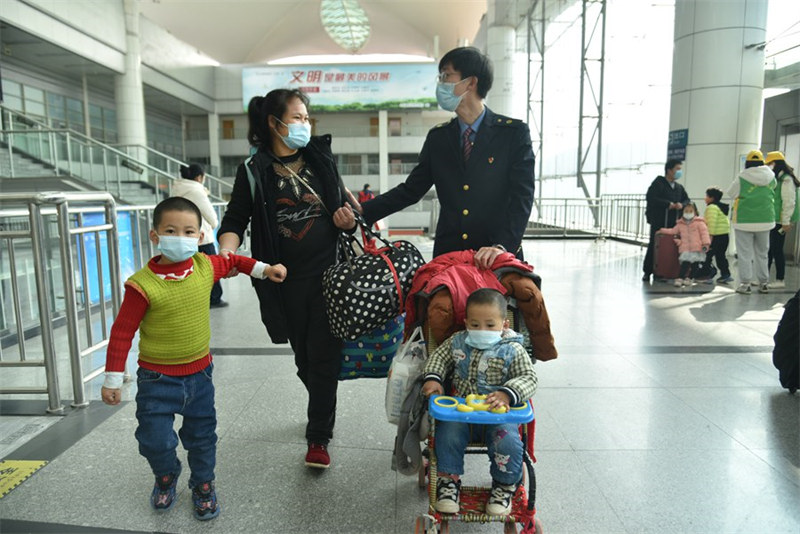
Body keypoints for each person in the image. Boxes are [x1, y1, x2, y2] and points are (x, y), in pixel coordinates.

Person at [101, 197, 286, 521]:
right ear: (155, 236)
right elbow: (121, 333)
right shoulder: (142, 285)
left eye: (189, 231)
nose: (181, 236)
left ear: (200, 236)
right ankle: (166, 473)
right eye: (171, 230)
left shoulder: (204, 266)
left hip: (200, 376)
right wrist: (113, 378)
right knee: (153, 439)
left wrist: (264, 269)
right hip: (156, 380)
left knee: (202, 437)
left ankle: (203, 483)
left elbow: (234, 262)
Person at [217, 88, 356, 469]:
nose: (304, 124)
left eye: (307, 118)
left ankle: (318, 436)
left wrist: (348, 220)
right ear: (274, 123)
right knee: (304, 360)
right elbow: (234, 220)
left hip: (330, 276)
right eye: (297, 118)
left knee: (325, 356)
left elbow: (346, 208)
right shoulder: (254, 170)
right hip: (281, 280)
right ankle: (322, 403)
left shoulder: (320, 159)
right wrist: (227, 251)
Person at [358, 46, 535, 270]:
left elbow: (523, 197)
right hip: (448, 257)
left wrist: (502, 246)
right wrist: (365, 210)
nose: (440, 83)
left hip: (495, 256)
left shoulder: (513, 134)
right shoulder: (438, 138)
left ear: (471, 82)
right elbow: (411, 190)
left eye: (446, 75)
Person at [421, 288, 537, 517]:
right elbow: (437, 359)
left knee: (509, 442)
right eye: (475, 325)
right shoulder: (458, 342)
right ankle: (448, 483)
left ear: (503, 324)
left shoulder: (513, 349)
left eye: (490, 325)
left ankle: (504, 487)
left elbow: (529, 378)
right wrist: (433, 379)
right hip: (462, 413)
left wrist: (507, 393)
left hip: (499, 415)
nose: (481, 330)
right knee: (447, 434)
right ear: (465, 322)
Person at [171, 162, 226, 307]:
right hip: (202, 238)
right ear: (199, 177)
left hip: (183, 237)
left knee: (188, 270)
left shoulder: (177, 189)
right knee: (211, 267)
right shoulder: (196, 191)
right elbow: (212, 218)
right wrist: (212, 226)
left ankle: (193, 299)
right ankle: (214, 298)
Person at [727, 150, 777, 295]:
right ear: (762, 162)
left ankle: (745, 284)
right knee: (763, 253)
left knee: (745, 254)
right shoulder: (771, 177)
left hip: (744, 220)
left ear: (747, 163)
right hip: (765, 219)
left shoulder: (742, 177)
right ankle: (764, 283)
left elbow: (731, 193)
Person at [642, 159, 690, 281]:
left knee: (671, 245)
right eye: (677, 169)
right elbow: (651, 198)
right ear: (669, 170)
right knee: (655, 243)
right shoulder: (658, 183)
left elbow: (687, 200)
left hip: (674, 221)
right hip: (659, 220)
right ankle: (648, 271)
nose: (679, 172)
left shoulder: (679, 187)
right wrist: (668, 204)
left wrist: (681, 204)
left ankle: (666, 270)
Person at [766, 151, 800, 288]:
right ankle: (764, 277)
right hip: (775, 219)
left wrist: (786, 221)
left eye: (770, 164)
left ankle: (780, 279)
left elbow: (788, 202)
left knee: (776, 250)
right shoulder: (779, 179)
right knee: (769, 249)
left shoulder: (786, 180)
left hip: (780, 221)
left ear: (776, 164)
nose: (769, 166)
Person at [658, 203, 711, 287]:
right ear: (682, 212)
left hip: (697, 248)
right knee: (685, 264)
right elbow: (673, 231)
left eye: (690, 211)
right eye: (686, 211)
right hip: (685, 248)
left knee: (695, 265)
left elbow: (704, 234)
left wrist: (706, 244)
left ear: (695, 212)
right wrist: (662, 230)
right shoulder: (680, 224)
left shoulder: (699, 223)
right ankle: (680, 278)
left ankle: (690, 278)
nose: (688, 213)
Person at [703, 187, 733, 283]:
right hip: (724, 236)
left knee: (707, 256)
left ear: (712, 198)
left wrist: (710, 237)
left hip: (715, 236)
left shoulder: (711, 207)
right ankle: (725, 274)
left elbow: (712, 222)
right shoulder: (721, 207)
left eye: (707, 196)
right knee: (721, 256)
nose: (705, 198)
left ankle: (707, 275)